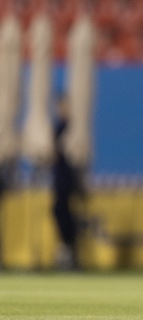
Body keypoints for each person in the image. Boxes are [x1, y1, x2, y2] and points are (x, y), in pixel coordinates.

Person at [51, 95, 84, 271]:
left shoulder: (70, 128)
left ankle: (69, 248)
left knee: (63, 212)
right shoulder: (59, 126)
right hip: (59, 178)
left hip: (66, 179)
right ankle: (66, 248)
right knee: (59, 211)